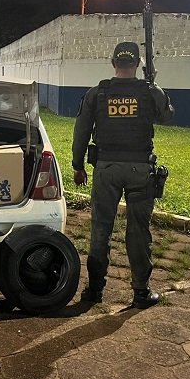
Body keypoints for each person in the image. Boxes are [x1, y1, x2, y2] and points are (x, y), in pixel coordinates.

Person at [71, 41, 174, 309]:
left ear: (113, 63)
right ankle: (141, 292)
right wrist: (154, 85)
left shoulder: (97, 93)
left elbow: (81, 131)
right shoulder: (149, 91)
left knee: (101, 229)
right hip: (140, 169)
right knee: (138, 231)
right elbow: (167, 116)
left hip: (106, 169)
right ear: (138, 64)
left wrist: (78, 166)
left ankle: (94, 290)